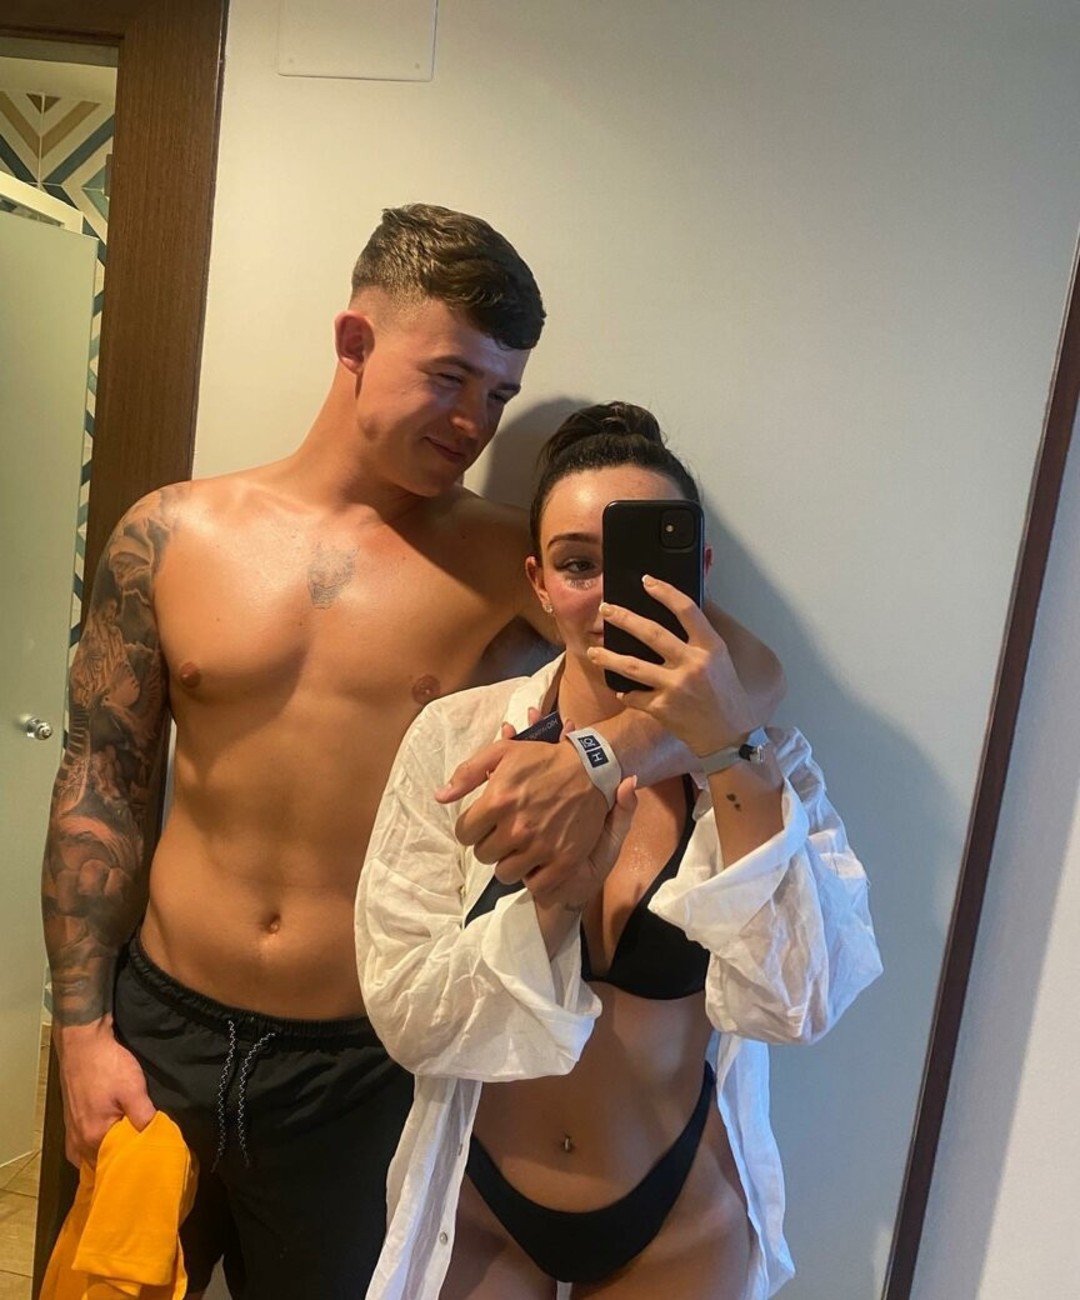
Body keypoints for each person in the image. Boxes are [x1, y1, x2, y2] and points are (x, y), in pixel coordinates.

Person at [41, 208, 783, 1299]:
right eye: (451, 377)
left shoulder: (505, 556)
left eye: (500, 395)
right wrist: (79, 1029)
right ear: (355, 342)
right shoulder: (175, 534)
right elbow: (101, 779)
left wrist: (597, 755)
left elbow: (745, 675)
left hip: (359, 1066)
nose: (475, 420)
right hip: (160, 1032)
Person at [356, 402, 883, 1300]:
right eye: (576, 565)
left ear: (698, 573)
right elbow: (407, 1015)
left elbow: (803, 1003)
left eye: (644, 566)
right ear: (537, 582)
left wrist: (732, 752)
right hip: (483, 1209)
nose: (610, 597)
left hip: (679, 1216)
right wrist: (550, 900)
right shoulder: (459, 743)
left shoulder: (767, 764)